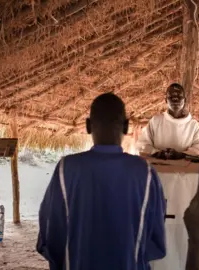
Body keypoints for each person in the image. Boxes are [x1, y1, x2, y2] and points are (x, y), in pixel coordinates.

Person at [37, 93, 166, 270]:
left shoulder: (66, 169)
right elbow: (155, 238)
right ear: (127, 127)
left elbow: (50, 233)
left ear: (88, 126)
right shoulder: (145, 172)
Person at [136, 83, 199, 159]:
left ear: (185, 100)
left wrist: (181, 155)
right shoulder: (155, 121)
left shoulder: (193, 125)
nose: (175, 100)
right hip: (158, 168)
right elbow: (143, 144)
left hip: (184, 169)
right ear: (166, 100)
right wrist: (157, 153)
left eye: (179, 96)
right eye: (171, 97)